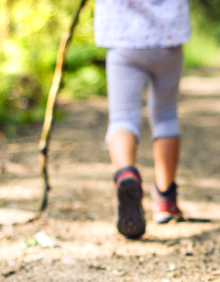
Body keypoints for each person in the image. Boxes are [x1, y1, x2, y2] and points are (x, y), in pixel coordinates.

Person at [94, 0, 190, 239]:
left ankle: (126, 174)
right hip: (168, 39)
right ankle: (165, 200)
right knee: (166, 116)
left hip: (123, 40)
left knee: (122, 118)